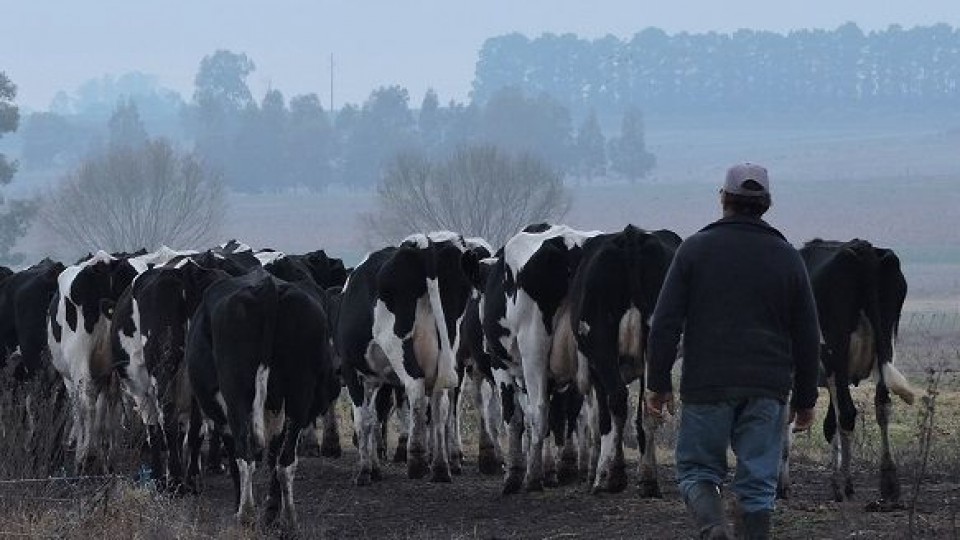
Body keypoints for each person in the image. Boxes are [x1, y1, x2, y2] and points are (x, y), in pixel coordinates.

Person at [645, 162, 820, 540]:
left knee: (696, 471)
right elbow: (808, 334)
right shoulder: (787, 256)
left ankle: (713, 528)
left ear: (724, 199)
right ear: (767, 204)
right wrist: (806, 397)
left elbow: (664, 323)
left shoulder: (693, 250)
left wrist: (658, 382)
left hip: (707, 384)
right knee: (758, 483)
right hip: (767, 388)